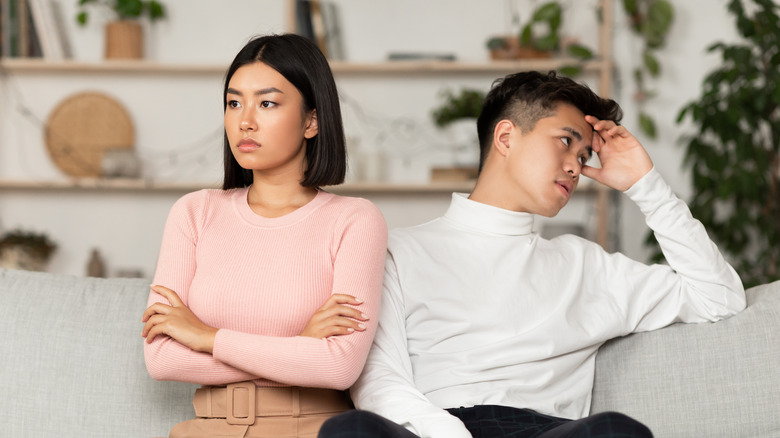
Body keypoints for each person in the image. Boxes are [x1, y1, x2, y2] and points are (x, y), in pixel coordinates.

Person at [318, 70, 745, 438]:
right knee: (348, 431)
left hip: (544, 430)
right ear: (506, 137)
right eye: (565, 142)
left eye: (584, 155)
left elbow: (719, 297)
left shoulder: (587, 265)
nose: (577, 167)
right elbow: (379, 378)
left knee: (617, 431)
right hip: (435, 428)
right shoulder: (397, 250)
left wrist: (645, 184)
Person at [141, 34, 388, 438]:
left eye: (267, 103)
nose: (245, 121)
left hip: (314, 429)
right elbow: (162, 359)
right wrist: (298, 346)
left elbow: (338, 367)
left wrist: (205, 337)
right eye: (234, 102)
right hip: (208, 429)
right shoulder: (194, 212)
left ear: (312, 120)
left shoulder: (355, 220)